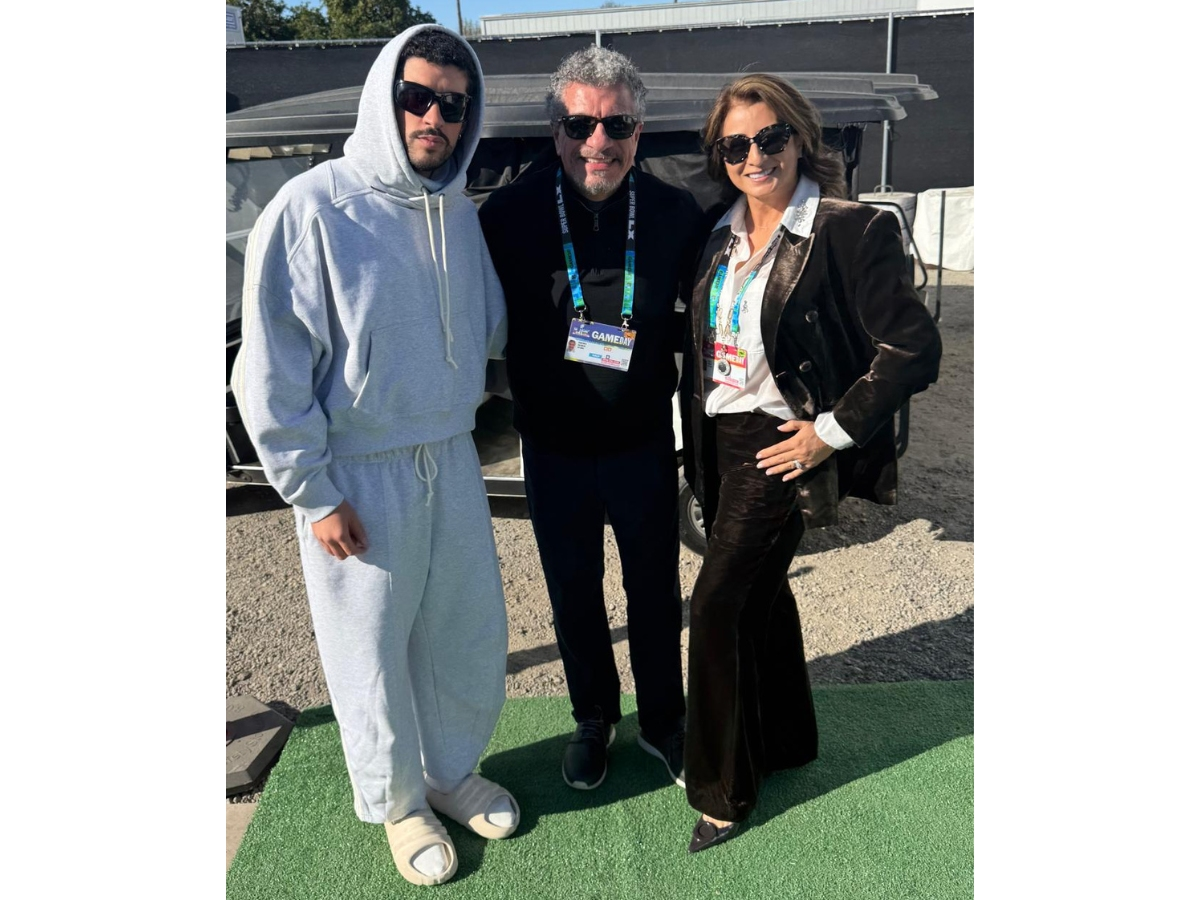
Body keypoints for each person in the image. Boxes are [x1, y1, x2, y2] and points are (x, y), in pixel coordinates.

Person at [232, 25, 517, 887]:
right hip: (360, 467)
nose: (434, 116)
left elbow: (489, 329)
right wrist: (312, 491)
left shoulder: (458, 214)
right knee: (370, 648)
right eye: (417, 96)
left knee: (463, 633)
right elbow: (271, 366)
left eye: (453, 105)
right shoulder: (313, 208)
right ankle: (397, 804)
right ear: (384, 95)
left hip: (449, 456)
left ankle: (448, 771)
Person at [679, 74, 942, 853]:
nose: (754, 155)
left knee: (717, 603)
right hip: (717, 440)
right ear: (719, 155)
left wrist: (831, 430)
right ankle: (788, 738)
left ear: (800, 138)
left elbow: (913, 348)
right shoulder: (717, 232)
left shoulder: (850, 228)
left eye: (770, 138)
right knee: (760, 596)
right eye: (736, 144)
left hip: (782, 440)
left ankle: (722, 790)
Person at [479, 47, 706, 792]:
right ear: (555, 130)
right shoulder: (507, 215)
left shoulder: (676, 213)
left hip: (642, 444)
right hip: (553, 449)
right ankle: (593, 717)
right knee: (573, 591)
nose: (597, 142)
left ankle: (664, 722)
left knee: (652, 590)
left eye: (617, 125)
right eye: (580, 124)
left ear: (639, 132)